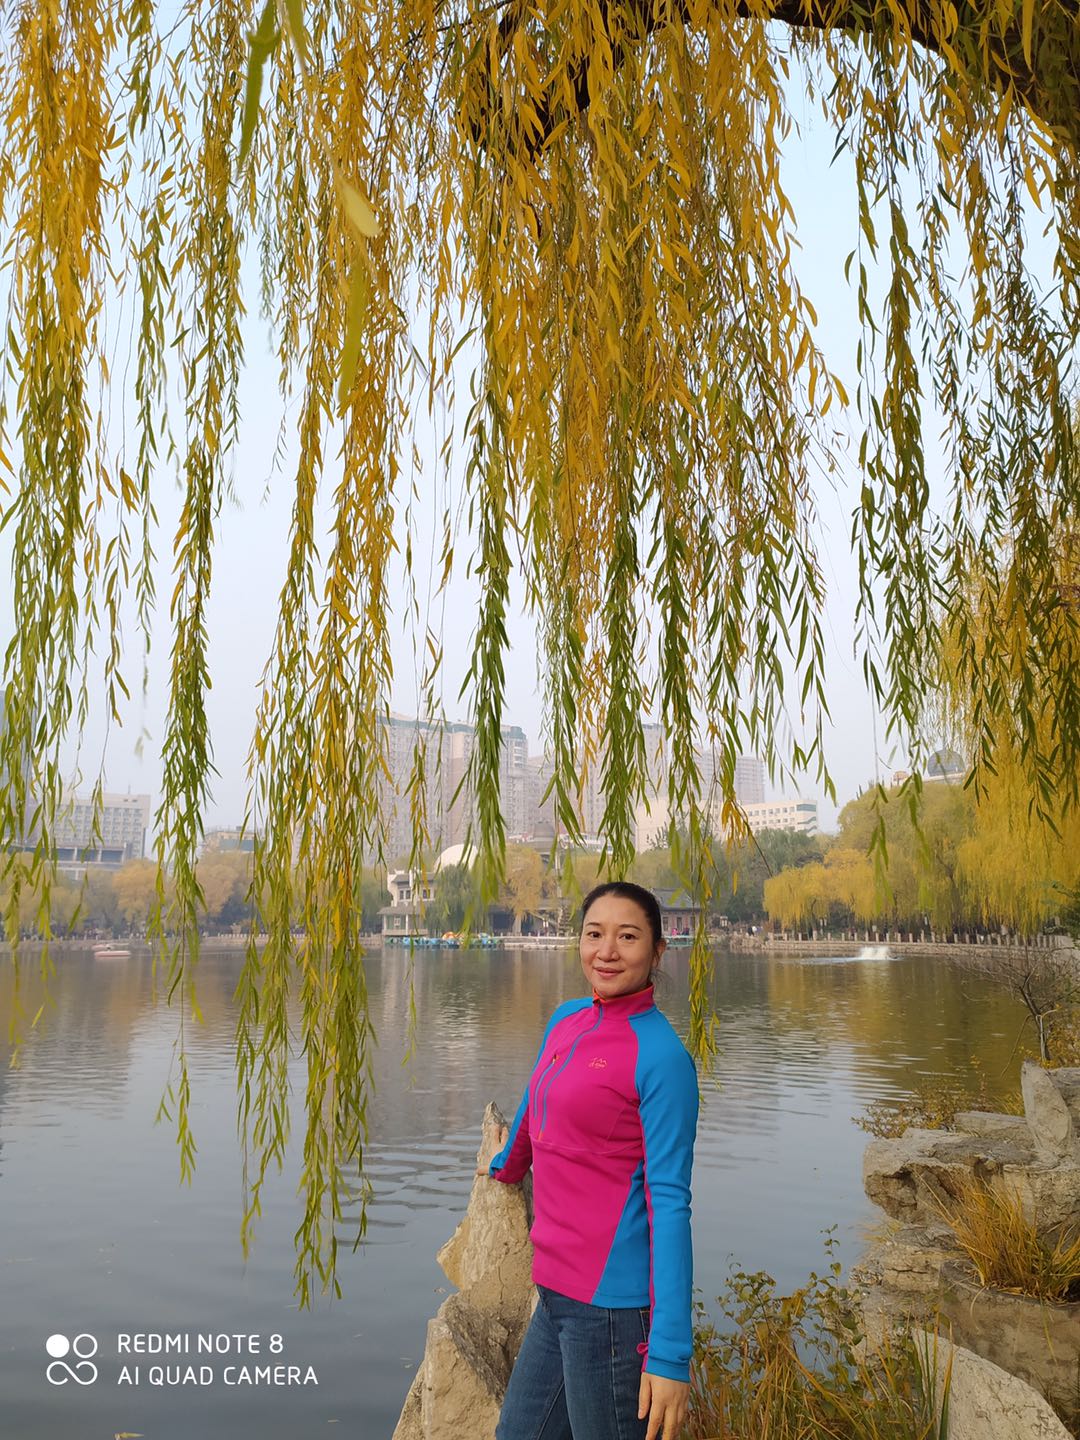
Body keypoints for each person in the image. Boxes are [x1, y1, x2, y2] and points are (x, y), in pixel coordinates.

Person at [478, 880, 699, 1440]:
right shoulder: (567, 1019)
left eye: (628, 937)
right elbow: (536, 1097)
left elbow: (670, 1203)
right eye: (594, 934)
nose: (607, 951)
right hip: (555, 1294)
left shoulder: (662, 1058)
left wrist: (670, 1354)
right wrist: (507, 1164)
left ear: (657, 951)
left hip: (612, 1313)